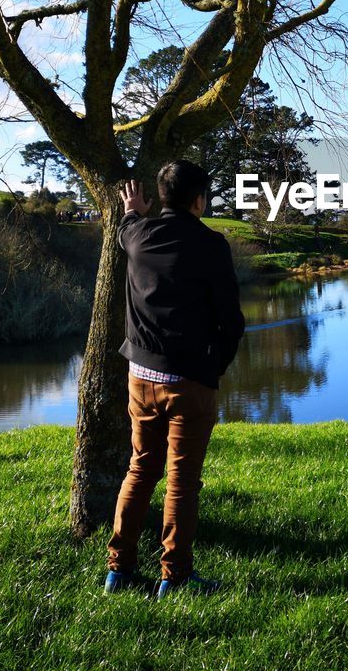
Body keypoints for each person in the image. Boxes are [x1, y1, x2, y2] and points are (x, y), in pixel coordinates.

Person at [104, 160, 245, 597]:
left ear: (161, 198)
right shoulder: (211, 246)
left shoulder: (136, 237)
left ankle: (119, 570)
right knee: (182, 480)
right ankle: (175, 576)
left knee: (140, 468)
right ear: (199, 199)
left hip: (140, 377)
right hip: (189, 382)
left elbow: (127, 224)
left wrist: (131, 208)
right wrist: (213, 367)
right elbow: (232, 322)